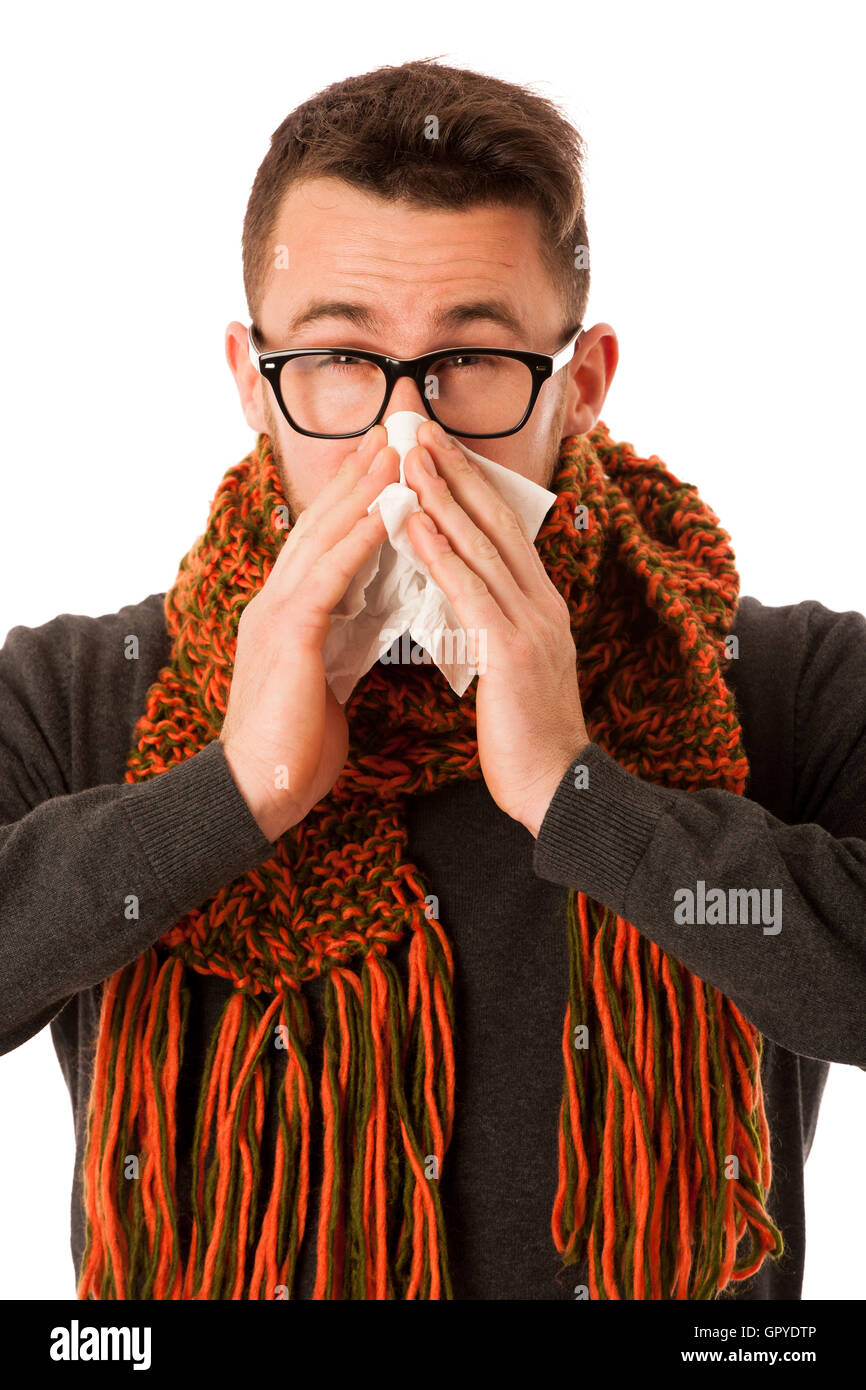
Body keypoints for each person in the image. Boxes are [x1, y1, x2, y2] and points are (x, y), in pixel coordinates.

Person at [2, 56, 865, 1302]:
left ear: (578, 385)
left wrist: (583, 797)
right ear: (255, 384)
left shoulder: (780, 678)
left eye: (470, 361)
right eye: (343, 362)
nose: (408, 437)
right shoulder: (81, 690)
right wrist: (233, 790)